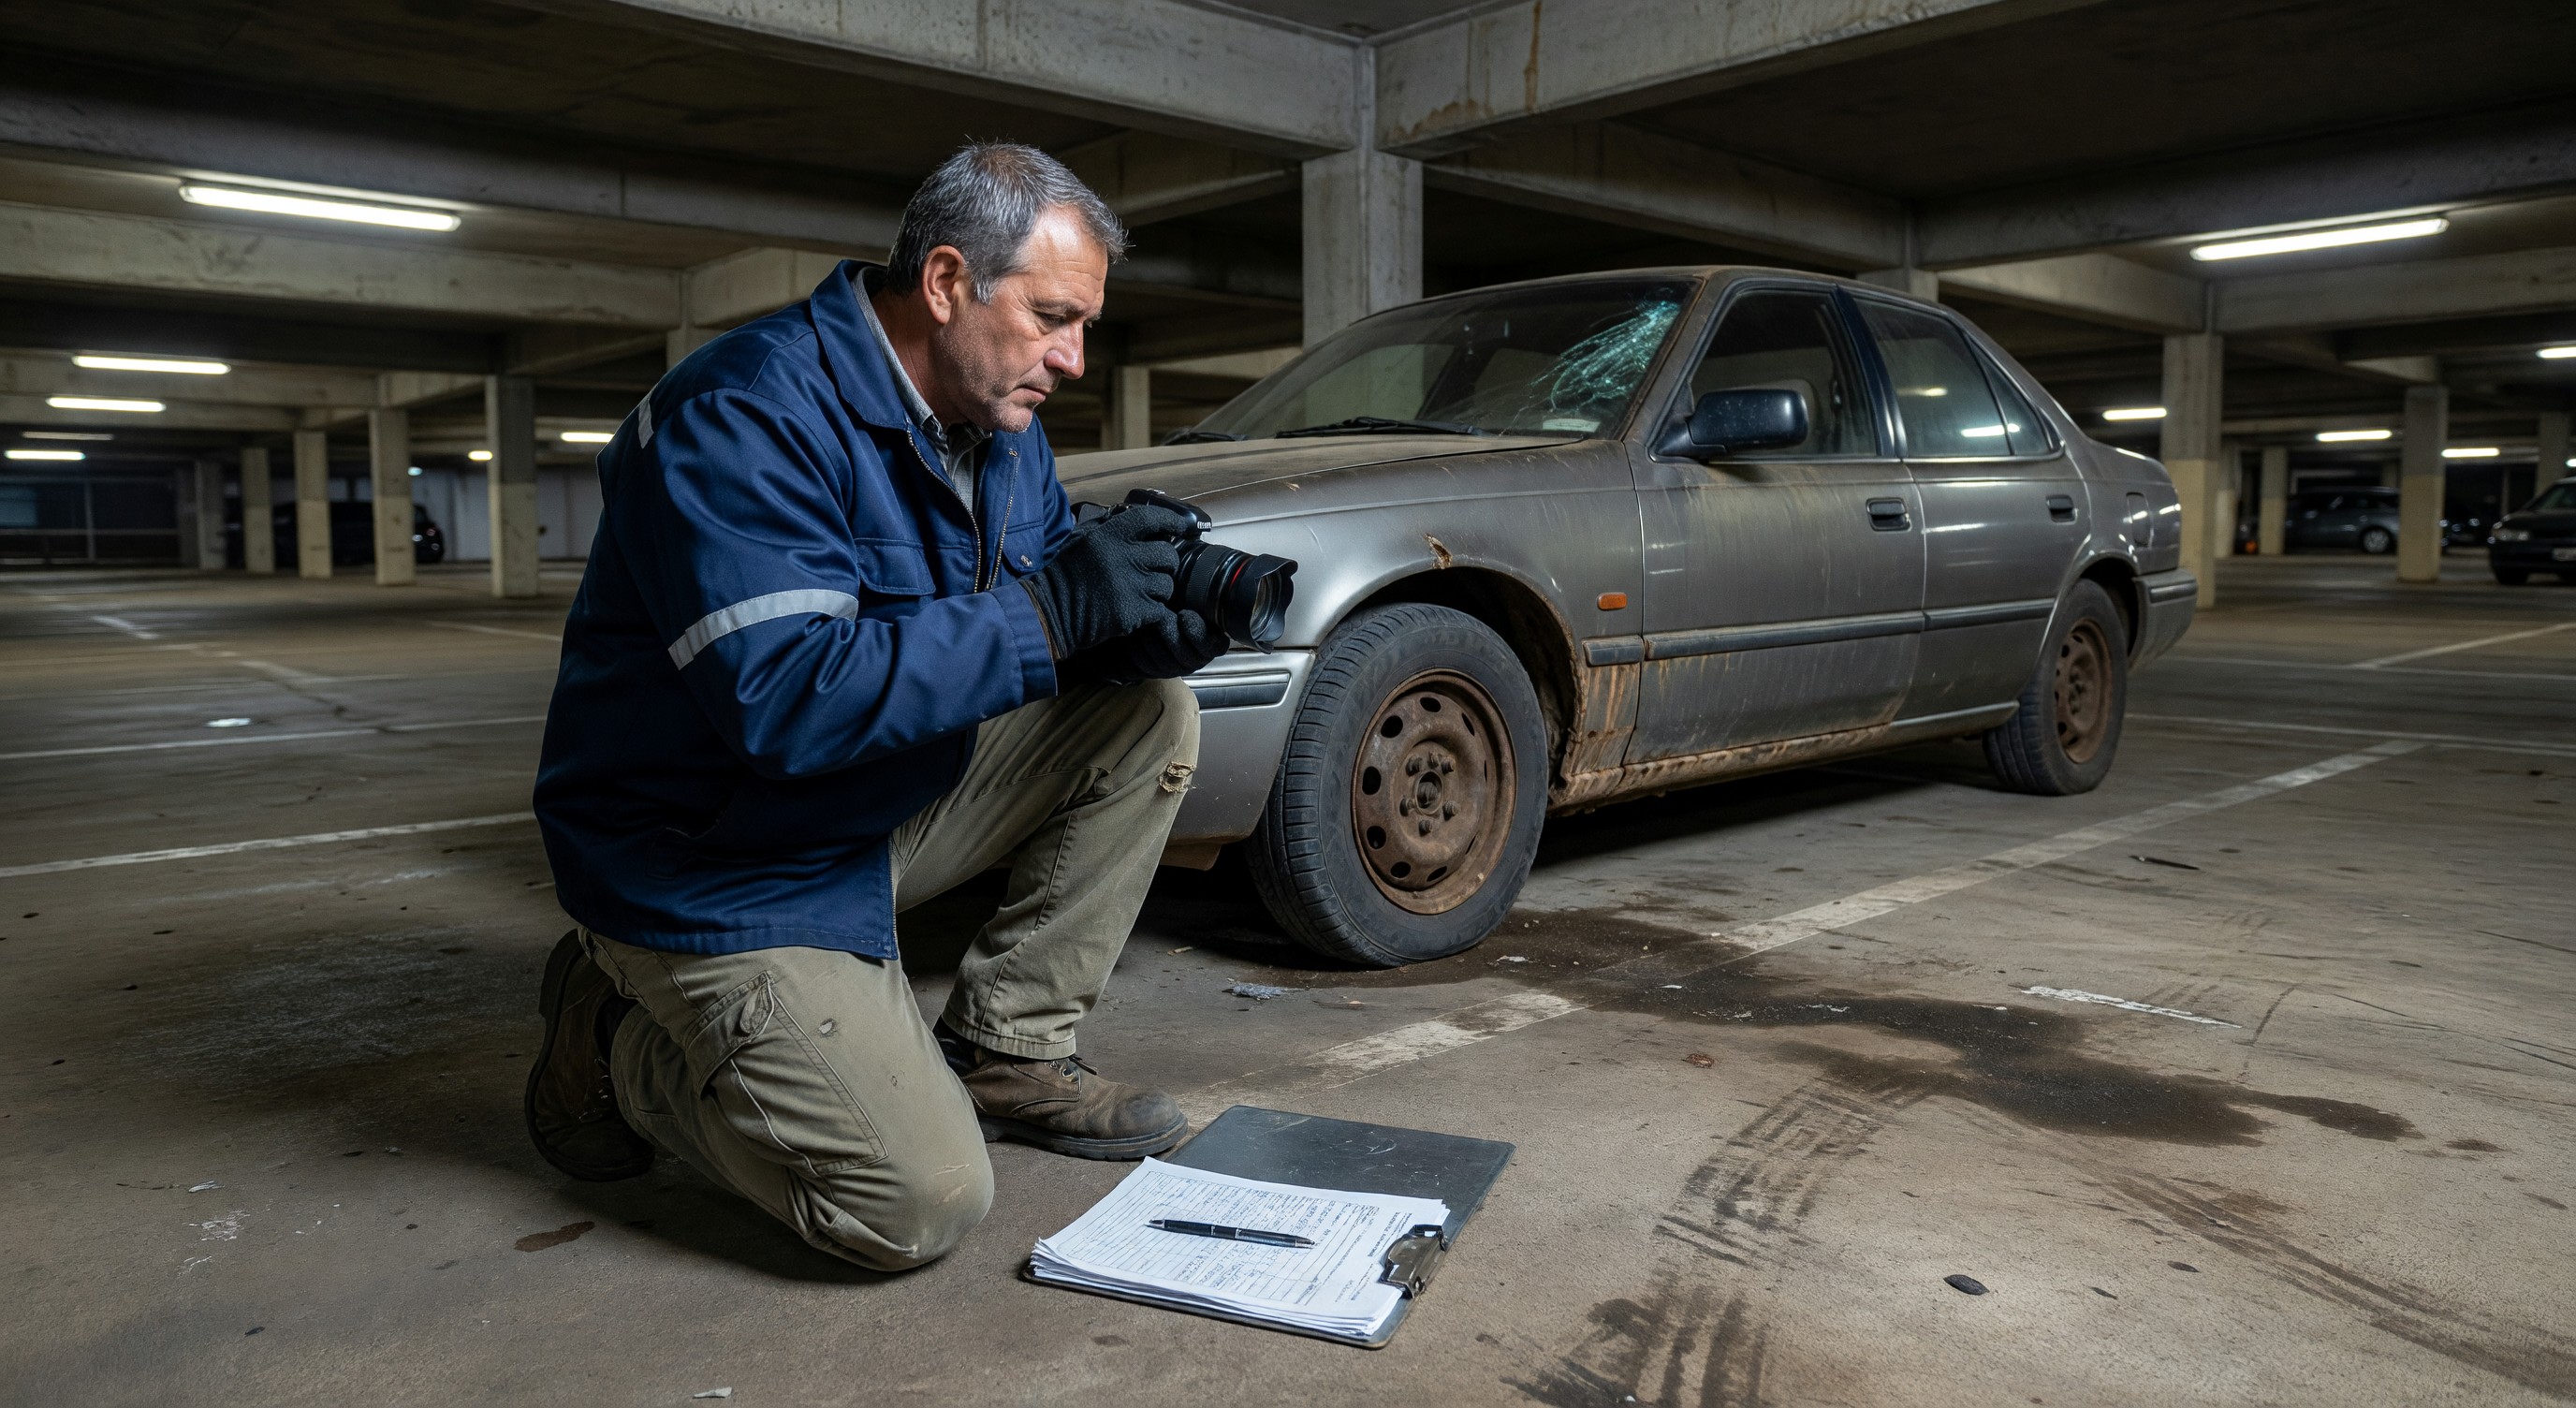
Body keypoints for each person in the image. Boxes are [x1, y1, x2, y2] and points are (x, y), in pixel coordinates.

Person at [521, 142, 1227, 1271]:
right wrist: (1052, 618)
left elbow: (1035, 610)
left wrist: (1129, 628)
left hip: (856, 806)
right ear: (947, 282)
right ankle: (616, 1038)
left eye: (1083, 325)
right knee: (911, 1204)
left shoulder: (999, 427)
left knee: (1145, 712)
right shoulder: (742, 414)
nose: (1074, 358)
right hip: (709, 858)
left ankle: (1007, 1047)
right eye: (1052, 315)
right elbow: (785, 701)